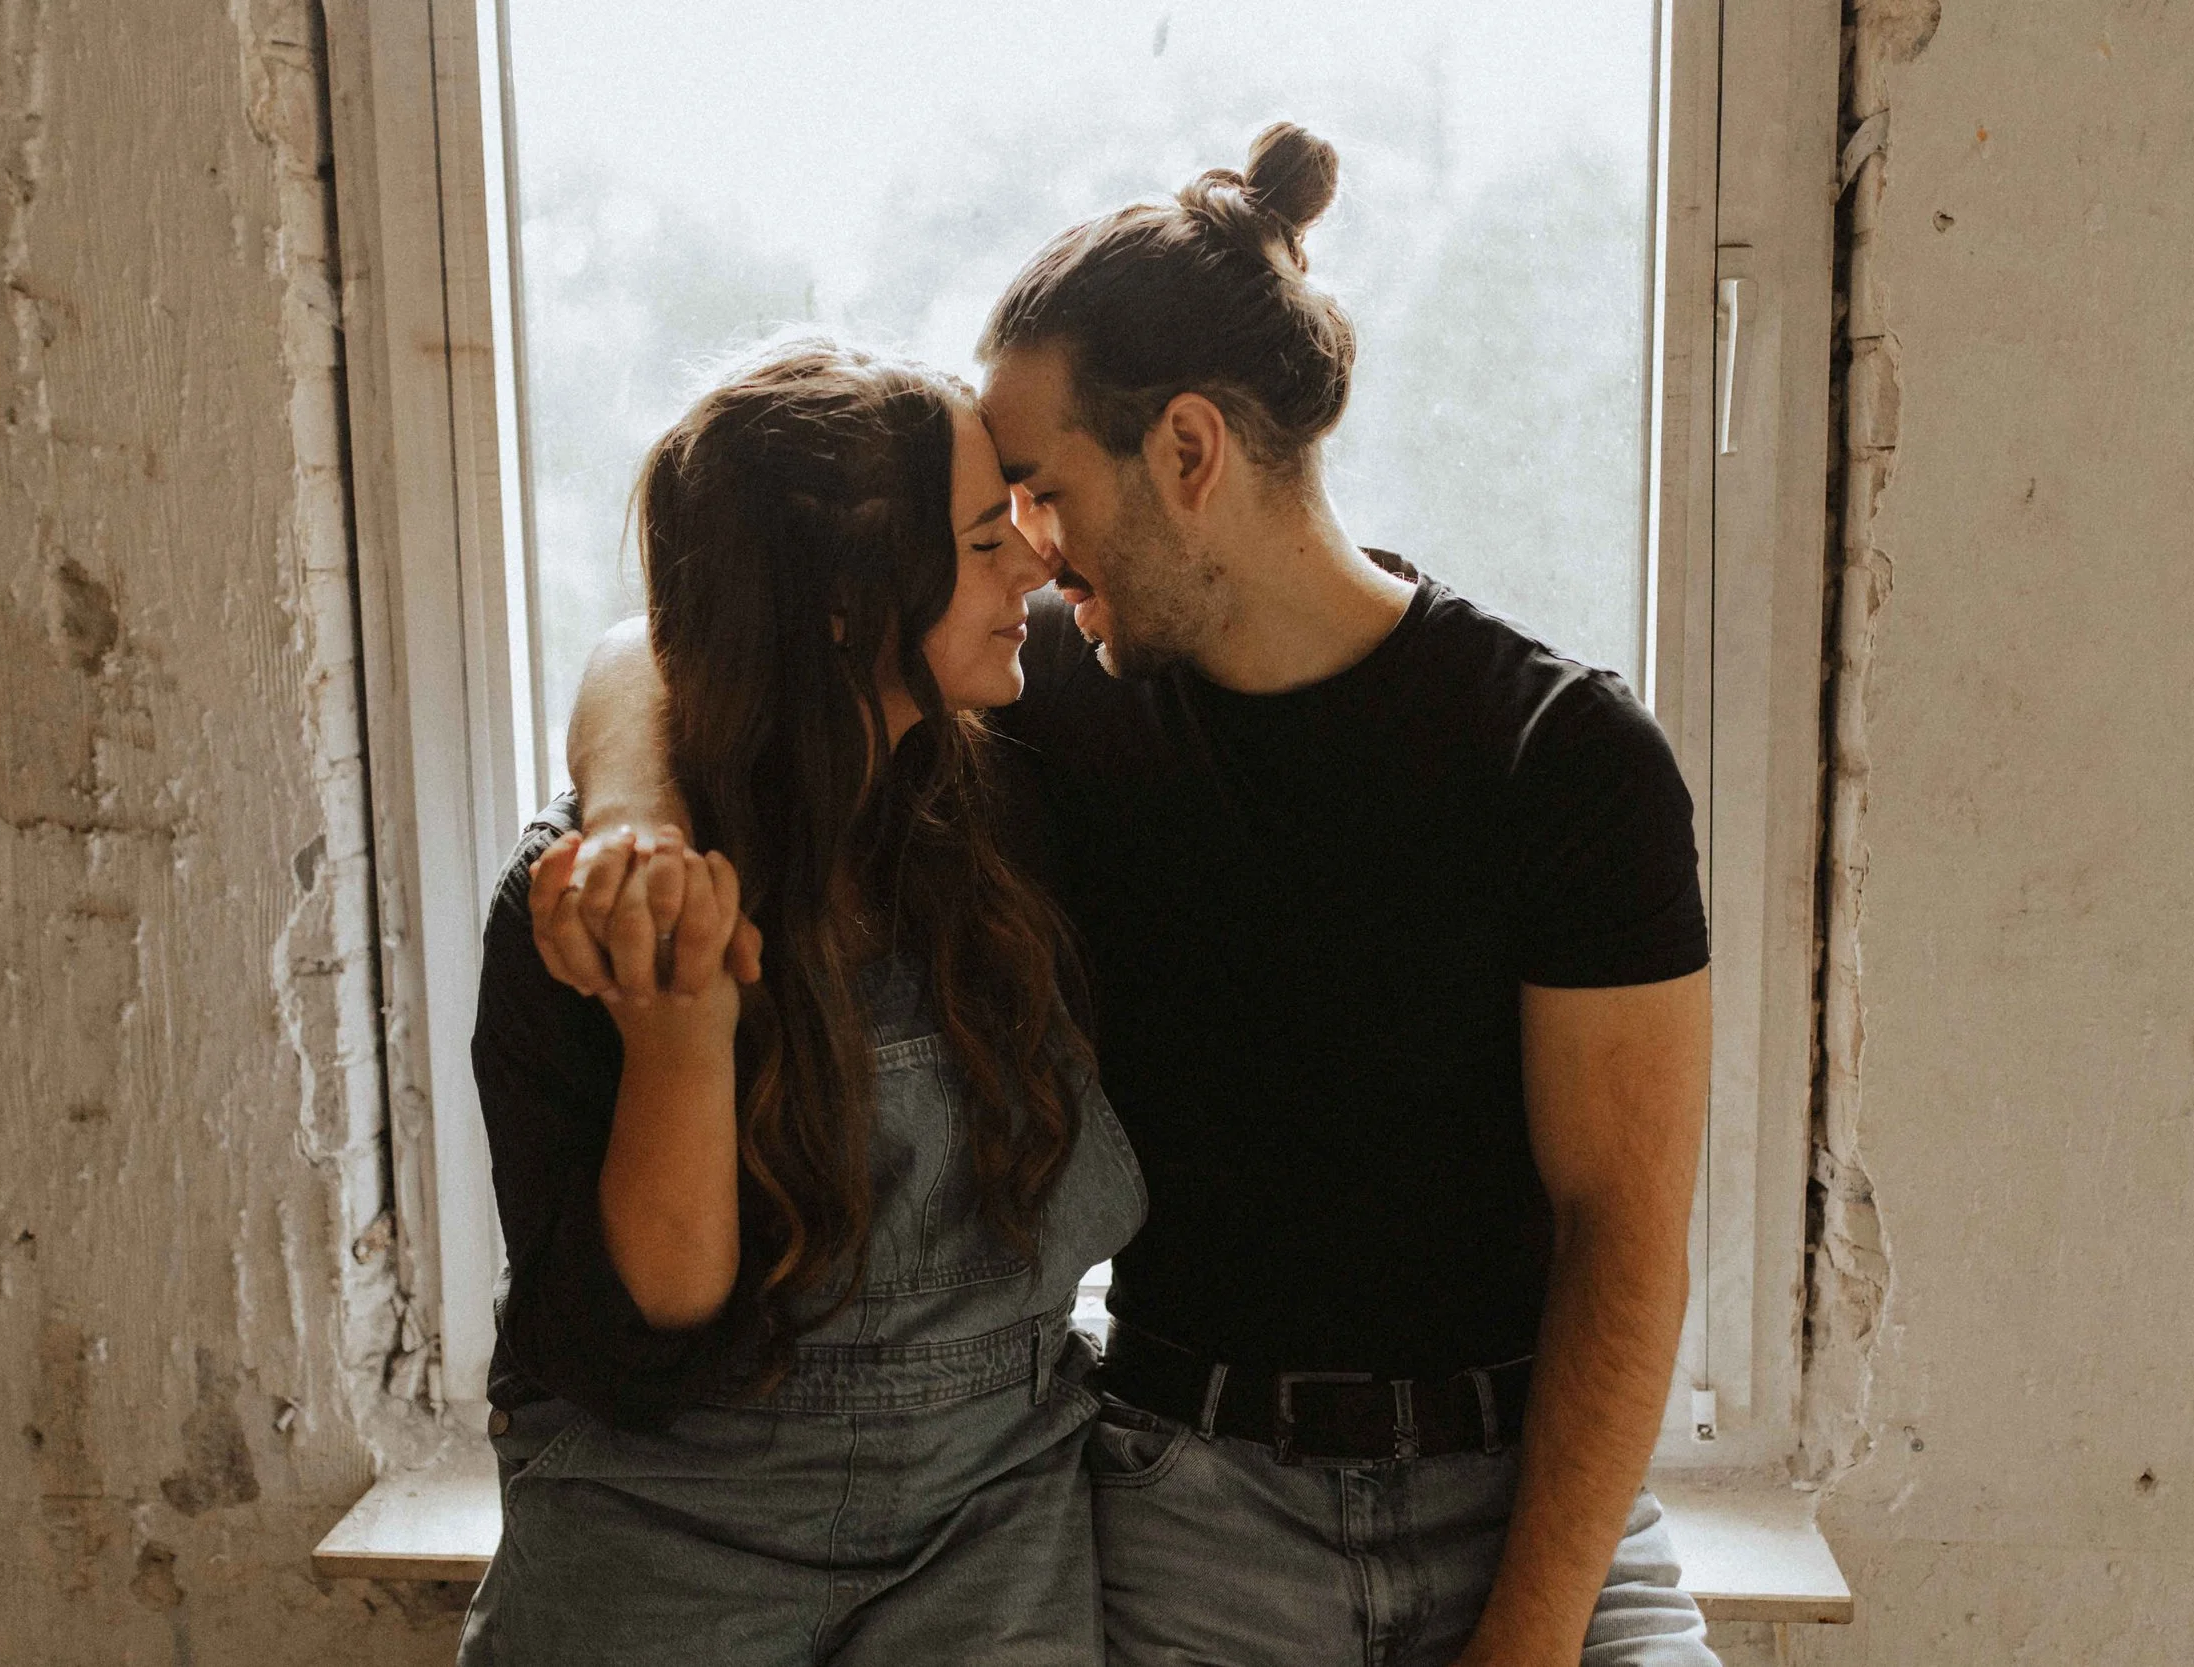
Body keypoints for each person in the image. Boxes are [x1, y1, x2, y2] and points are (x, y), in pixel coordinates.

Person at [554, 123, 1719, 1667]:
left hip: (1544, 1515)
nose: (1024, 553)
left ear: (1187, 452)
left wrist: (1528, 1641)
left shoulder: (1563, 756)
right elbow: (668, 649)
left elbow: (1622, 1235)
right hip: (1193, 1505)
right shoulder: (1050, 702)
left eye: (1039, 491)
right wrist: (631, 819)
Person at [458, 341, 1145, 1666]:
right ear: (841, 600)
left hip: (982, 1517)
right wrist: (682, 1035)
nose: (1034, 568)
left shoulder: (1011, 786)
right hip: (669, 1521)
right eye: (984, 537)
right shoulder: (591, 909)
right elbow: (646, 1319)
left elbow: (629, 648)